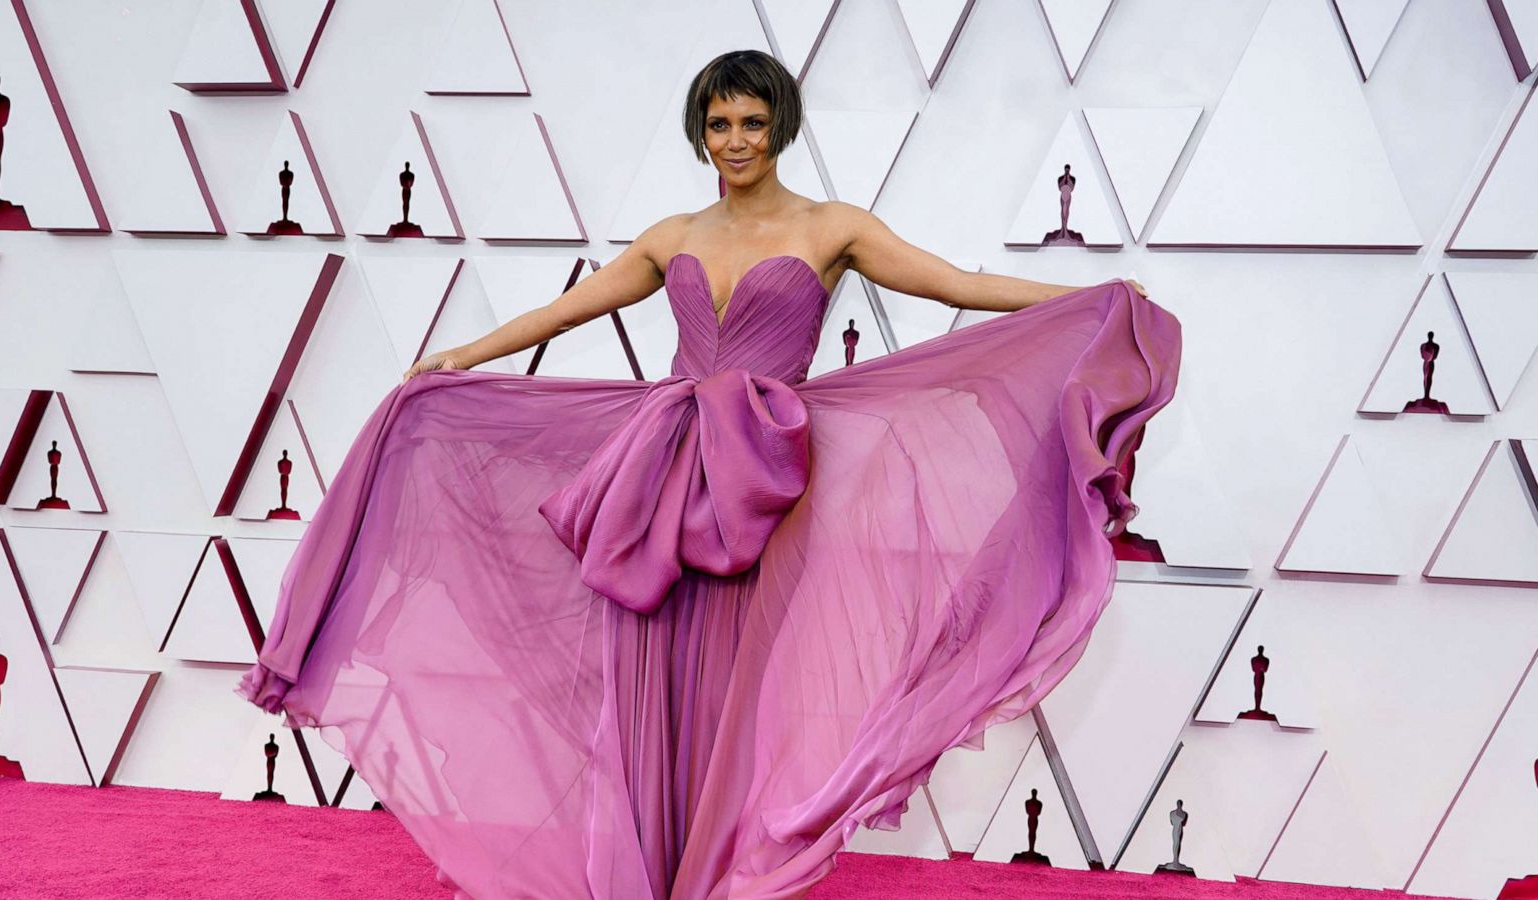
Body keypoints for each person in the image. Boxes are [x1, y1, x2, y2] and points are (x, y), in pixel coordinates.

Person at [238, 49, 1182, 899]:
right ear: (701, 131)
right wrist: (462, 355)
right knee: (645, 662)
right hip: (661, 473)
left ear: (781, 130)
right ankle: (643, 872)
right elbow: (568, 311)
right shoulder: (671, 233)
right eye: (720, 124)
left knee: (735, 681)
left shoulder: (832, 227)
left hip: (763, 479)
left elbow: (954, 285)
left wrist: (1086, 296)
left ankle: (712, 871)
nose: (736, 141)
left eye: (753, 124)